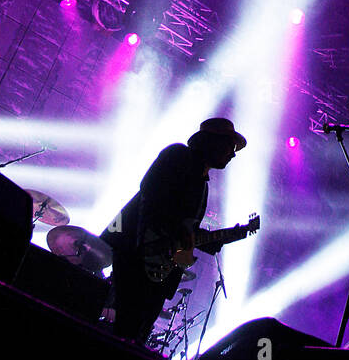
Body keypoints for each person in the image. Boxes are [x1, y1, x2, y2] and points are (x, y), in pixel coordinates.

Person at [100, 116, 246, 345]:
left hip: (158, 263)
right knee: (126, 329)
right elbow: (151, 192)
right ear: (213, 142)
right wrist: (168, 237)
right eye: (230, 146)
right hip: (139, 252)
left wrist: (219, 239)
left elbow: (186, 233)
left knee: (135, 334)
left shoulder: (203, 185)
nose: (233, 154)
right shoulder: (178, 155)